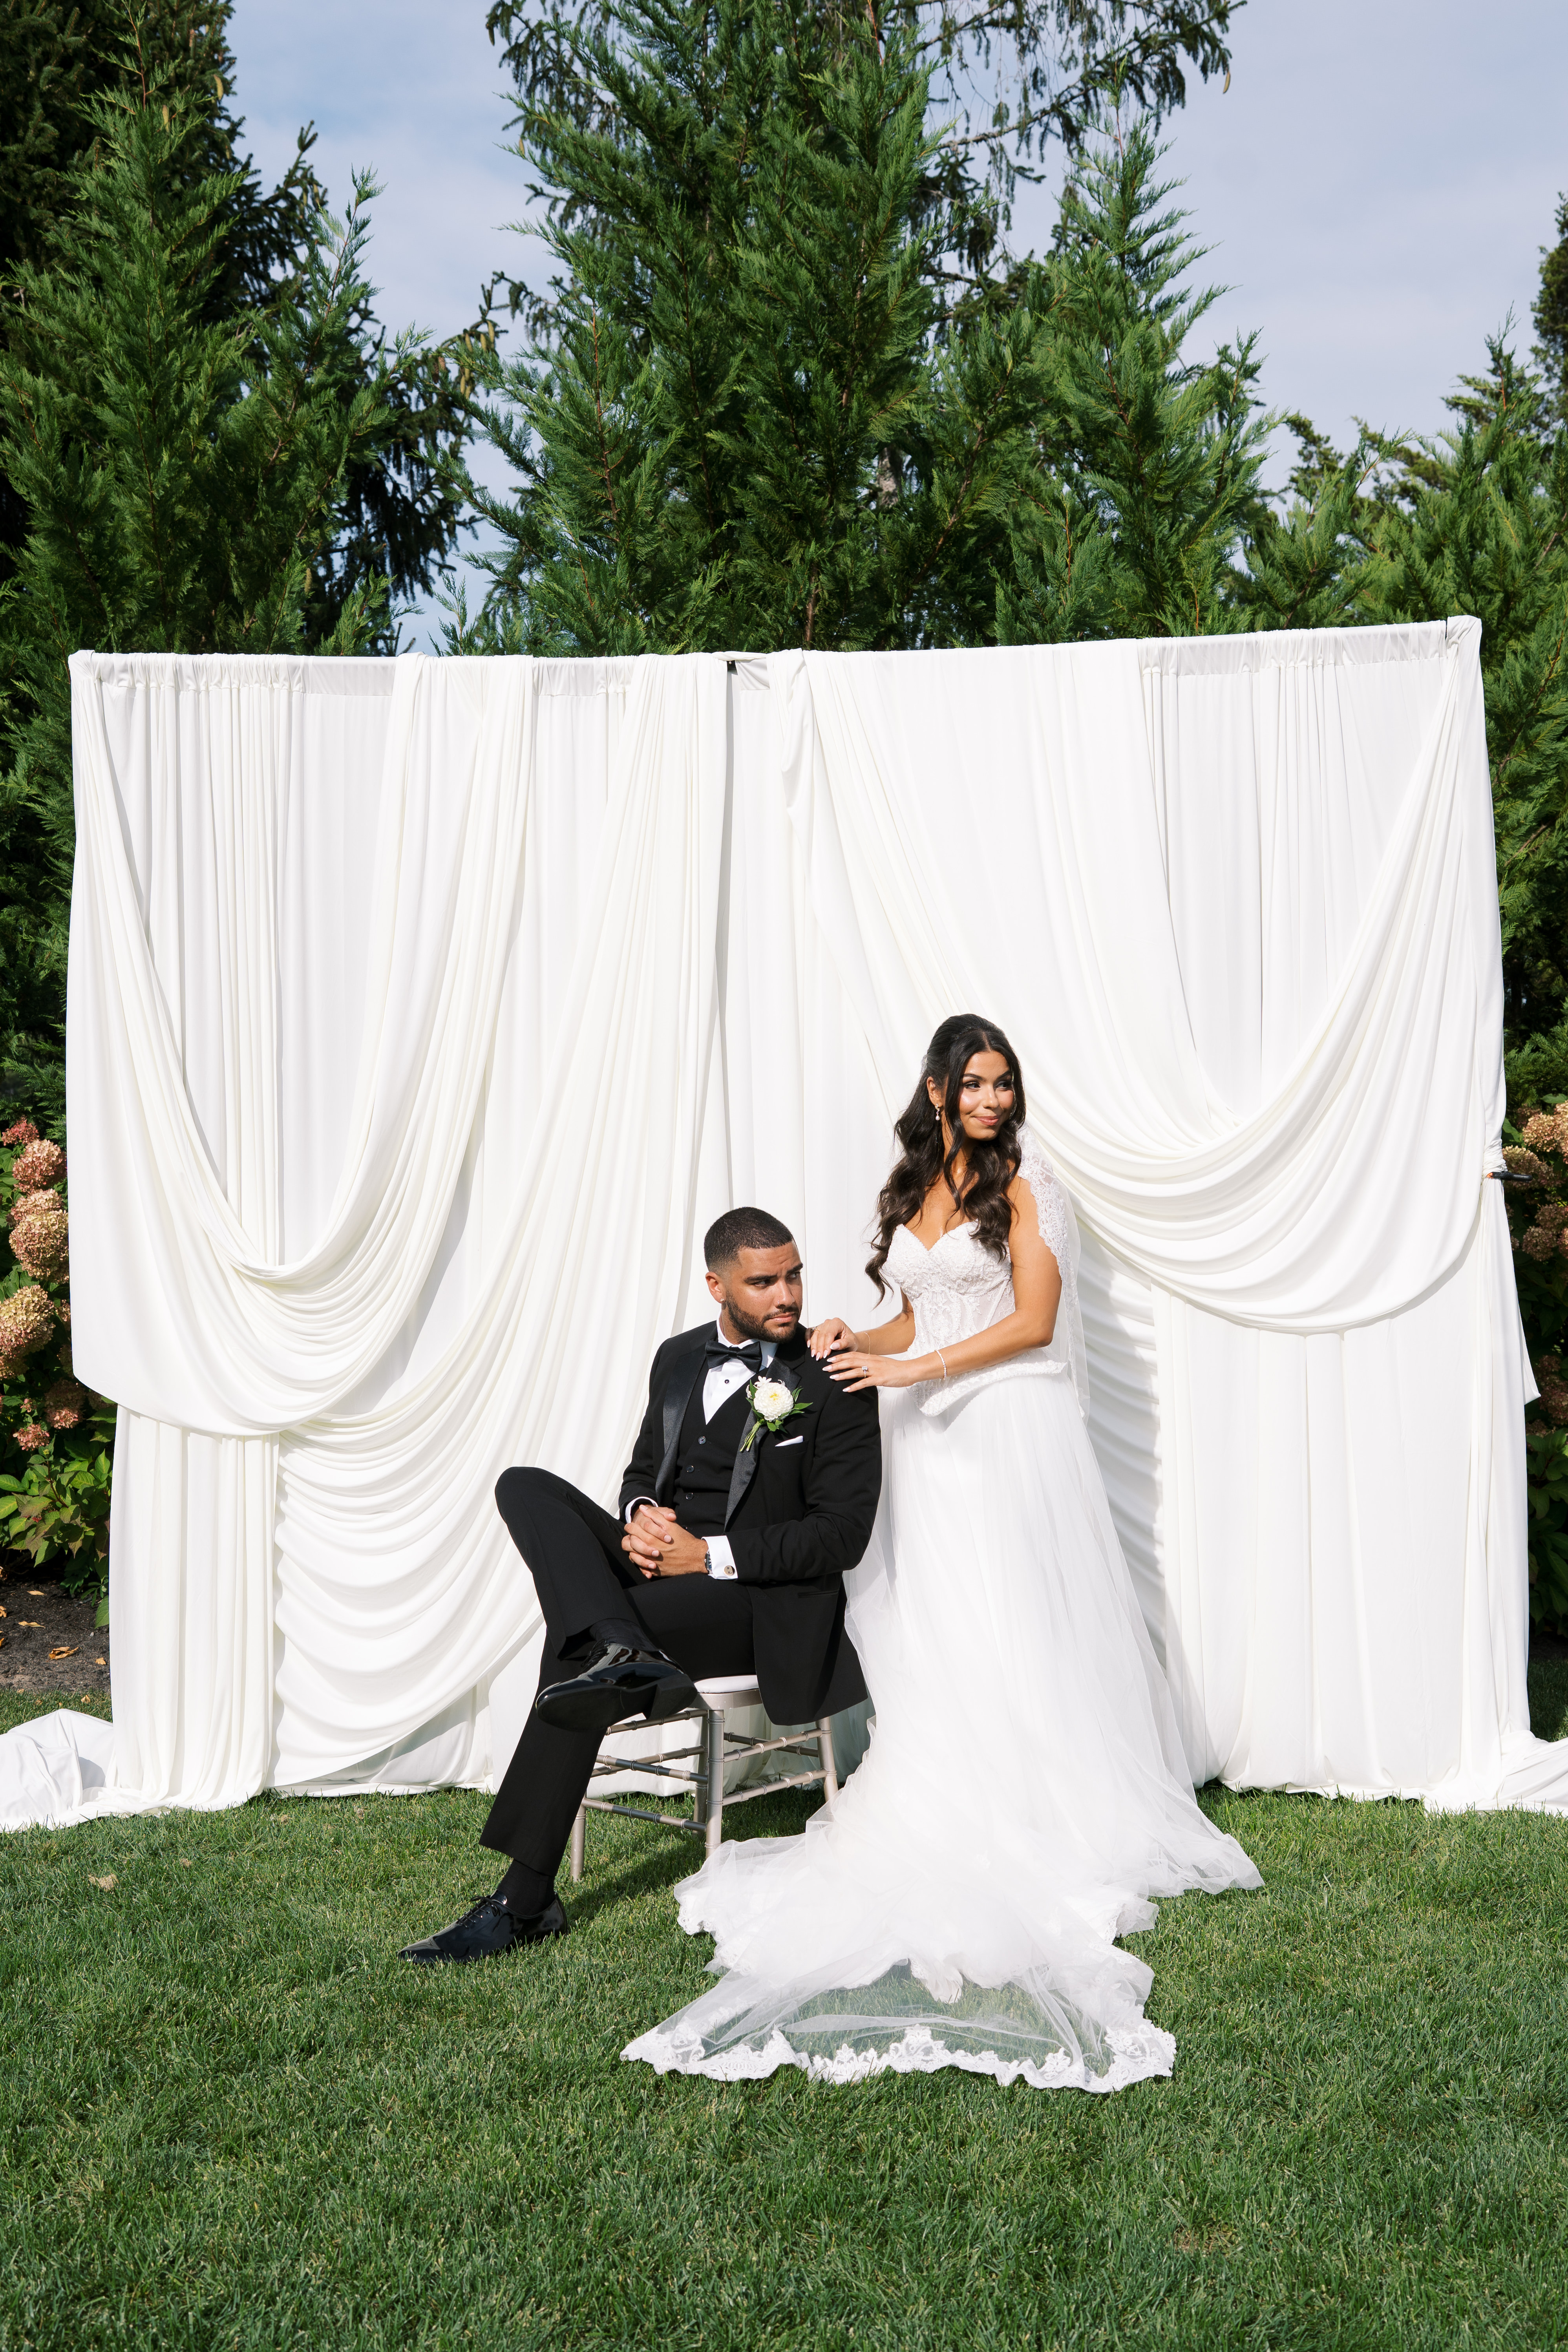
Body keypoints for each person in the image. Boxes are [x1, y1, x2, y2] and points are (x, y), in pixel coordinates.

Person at [623, 1014, 1261, 2091]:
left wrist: (918, 1376)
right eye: (974, 1082)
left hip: (1006, 1426)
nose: (993, 1100)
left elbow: (1035, 1323)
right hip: (924, 1439)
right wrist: (850, 1342)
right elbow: (910, 1323)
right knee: (932, 1625)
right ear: (935, 1091)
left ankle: (1041, 1811)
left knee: (1009, 1619)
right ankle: (941, 1782)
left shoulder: (1026, 1185)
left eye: (1004, 1083)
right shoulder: (912, 1187)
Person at [399, 1206, 881, 1963]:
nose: (786, 1296)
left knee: (574, 1648)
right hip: (663, 1570)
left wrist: (708, 1555)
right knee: (525, 1486)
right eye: (763, 1283)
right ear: (716, 1285)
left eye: (793, 1276)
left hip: (755, 1598)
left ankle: (522, 1899)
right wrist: (640, 1515)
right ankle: (621, 1645)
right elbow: (640, 1468)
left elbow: (839, 1537)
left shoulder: (833, 1377)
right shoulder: (678, 1356)